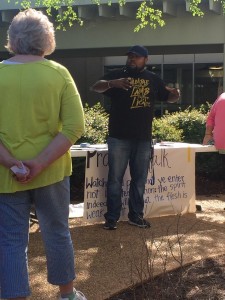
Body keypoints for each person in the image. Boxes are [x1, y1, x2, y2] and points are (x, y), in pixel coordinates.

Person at [0, 9, 87, 300]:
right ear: (47, 38)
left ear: (12, 39)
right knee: (57, 232)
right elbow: (76, 126)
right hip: (51, 171)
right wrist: (39, 163)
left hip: (6, 175)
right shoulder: (58, 73)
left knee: (11, 240)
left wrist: (12, 162)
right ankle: (67, 294)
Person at [90, 45, 180, 230]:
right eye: (130, 56)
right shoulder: (117, 75)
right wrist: (111, 84)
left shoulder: (153, 79)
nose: (132, 59)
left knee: (139, 179)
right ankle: (112, 218)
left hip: (143, 138)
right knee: (115, 179)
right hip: (118, 137)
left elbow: (167, 97)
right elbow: (95, 87)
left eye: (136, 57)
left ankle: (136, 215)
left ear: (145, 60)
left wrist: (175, 96)